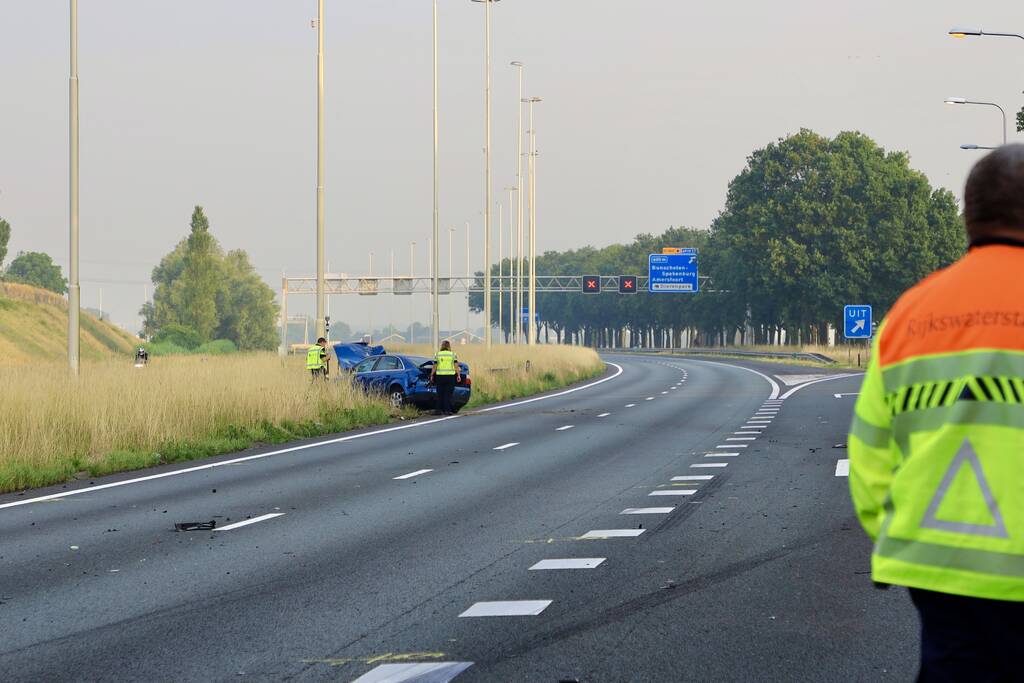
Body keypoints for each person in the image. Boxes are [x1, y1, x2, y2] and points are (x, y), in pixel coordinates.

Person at [849, 144, 1024, 681]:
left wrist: (890, 528)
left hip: (940, 575)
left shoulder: (911, 313)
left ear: (968, 217)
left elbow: (870, 446)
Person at [430, 340, 461, 415]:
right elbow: (456, 366)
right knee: (448, 394)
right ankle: (447, 410)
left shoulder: (437, 354)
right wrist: (458, 375)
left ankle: (438, 410)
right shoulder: (453, 354)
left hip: (440, 376)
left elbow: (435, 366)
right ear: (449, 346)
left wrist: (431, 375)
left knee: (440, 393)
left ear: (442, 346)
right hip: (450, 377)